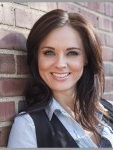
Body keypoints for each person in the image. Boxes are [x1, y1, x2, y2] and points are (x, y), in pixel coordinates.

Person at [7, 9, 113, 148]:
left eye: (72, 53)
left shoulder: (109, 109)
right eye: (49, 52)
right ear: (37, 58)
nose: (60, 64)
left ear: (86, 58)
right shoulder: (28, 126)